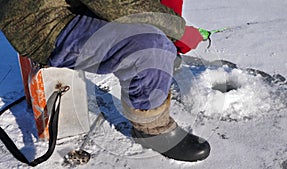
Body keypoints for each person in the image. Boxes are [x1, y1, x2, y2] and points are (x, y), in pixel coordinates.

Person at [0, 0, 210, 162]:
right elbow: (117, 4)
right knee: (150, 47)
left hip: (68, 6)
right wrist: (180, 32)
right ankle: (152, 130)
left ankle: (161, 59)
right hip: (43, 21)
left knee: (159, 41)